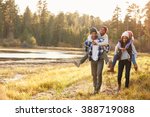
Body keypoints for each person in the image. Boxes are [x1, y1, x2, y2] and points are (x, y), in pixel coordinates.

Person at [84, 27, 105, 94]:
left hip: (100, 59)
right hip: (93, 60)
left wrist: (98, 43)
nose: (93, 34)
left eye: (95, 33)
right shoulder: (88, 40)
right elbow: (86, 47)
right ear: (90, 34)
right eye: (92, 33)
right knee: (94, 75)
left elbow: (107, 47)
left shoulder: (100, 40)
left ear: (96, 33)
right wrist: (89, 44)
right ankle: (95, 88)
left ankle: (98, 89)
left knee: (99, 73)